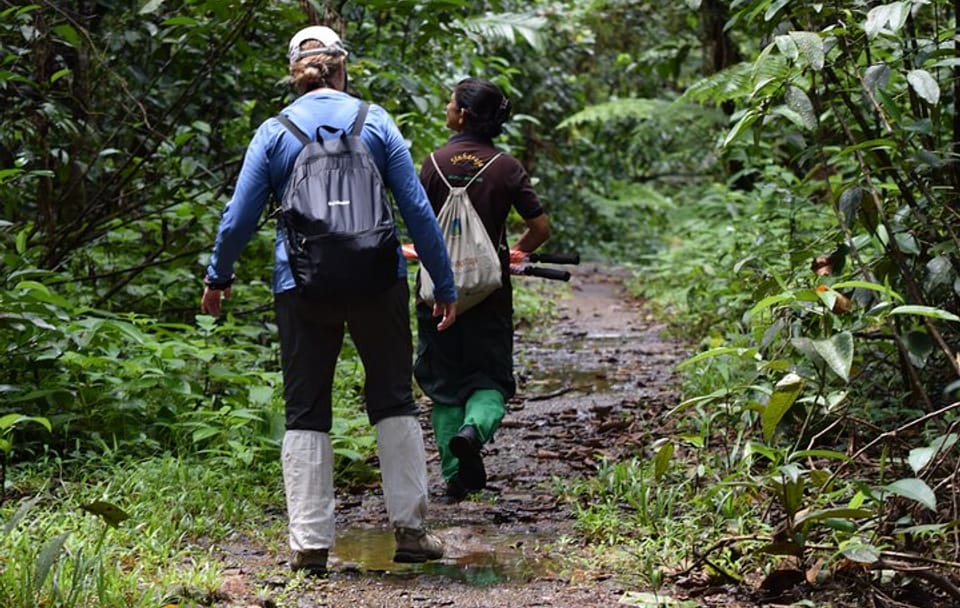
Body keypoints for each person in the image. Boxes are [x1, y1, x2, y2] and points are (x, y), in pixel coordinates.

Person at [200, 25, 458, 576]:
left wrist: (217, 277)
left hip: (300, 284)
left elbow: (239, 217)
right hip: (378, 281)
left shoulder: (274, 132)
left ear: (296, 71)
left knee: (305, 406)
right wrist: (445, 283)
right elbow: (416, 211)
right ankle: (412, 532)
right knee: (392, 398)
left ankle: (310, 545)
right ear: (343, 68)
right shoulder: (377, 122)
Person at [415, 78, 550, 502]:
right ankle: (474, 431)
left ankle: (456, 476)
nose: (446, 107)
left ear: (463, 115)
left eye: (450, 103)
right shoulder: (507, 167)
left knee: (443, 384)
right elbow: (540, 228)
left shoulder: (432, 163)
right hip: (489, 294)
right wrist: (516, 253)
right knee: (490, 378)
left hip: (438, 290)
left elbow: (420, 226)